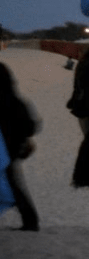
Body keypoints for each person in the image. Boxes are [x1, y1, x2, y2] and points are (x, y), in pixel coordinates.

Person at [0, 62, 40, 231]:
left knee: (12, 184)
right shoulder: (15, 99)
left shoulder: (8, 100)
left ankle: (31, 221)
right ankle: (30, 220)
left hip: (8, 147)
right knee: (12, 182)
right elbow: (31, 126)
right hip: (12, 146)